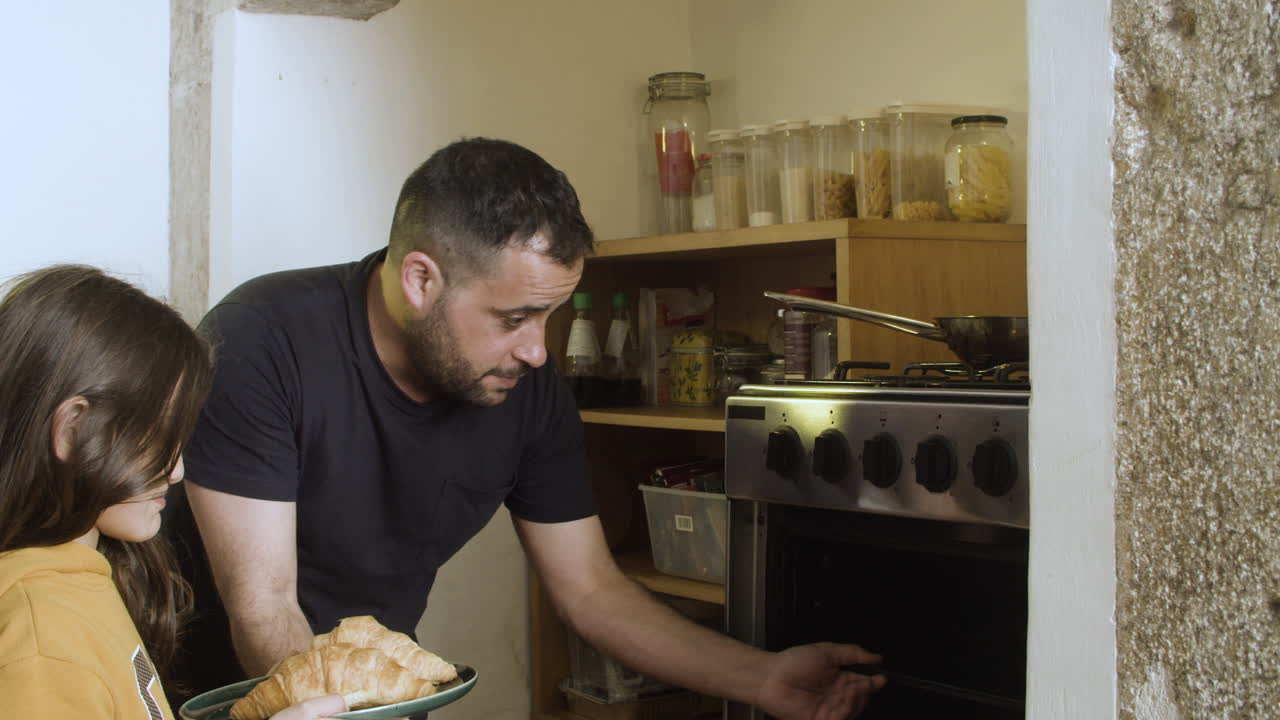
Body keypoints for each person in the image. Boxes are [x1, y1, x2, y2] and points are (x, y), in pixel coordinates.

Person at [165, 138, 886, 718]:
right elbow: (263, 602)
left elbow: (592, 593)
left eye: (549, 316)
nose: (539, 350)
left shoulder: (525, 386)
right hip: (205, 699)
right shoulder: (262, 341)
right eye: (513, 318)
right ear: (421, 280)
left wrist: (761, 679)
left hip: (364, 705)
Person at [0, 265, 348, 720]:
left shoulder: (78, 585)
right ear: (72, 429)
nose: (177, 470)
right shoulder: (43, 641)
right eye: (157, 437)